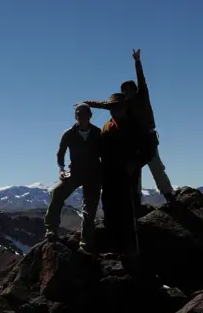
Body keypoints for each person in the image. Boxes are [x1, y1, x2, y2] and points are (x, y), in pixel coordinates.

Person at [85, 49, 174, 203]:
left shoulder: (143, 97)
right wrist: (87, 103)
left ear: (135, 89)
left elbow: (141, 80)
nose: (127, 92)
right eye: (124, 91)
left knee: (155, 166)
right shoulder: (124, 104)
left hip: (148, 137)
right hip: (134, 138)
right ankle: (137, 199)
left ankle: (168, 194)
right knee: (135, 169)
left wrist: (137, 62)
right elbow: (105, 104)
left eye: (129, 89)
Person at [99, 93, 157, 256]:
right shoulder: (106, 127)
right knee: (110, 208)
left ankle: (130, 246)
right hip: (109, 174)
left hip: (128, 173)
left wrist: (135, 163)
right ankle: (114, 245)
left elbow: (149, 149)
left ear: (125, 107)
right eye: (111, 107)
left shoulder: (135, 125)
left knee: (128, 209)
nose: (114, 110)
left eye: (117, 106)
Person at [44, 103, 101, 251]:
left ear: (89, 116)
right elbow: (60, 153)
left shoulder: (97, 133)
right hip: (75, 173)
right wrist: (61, 169)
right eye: (77, 114)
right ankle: (51, 229)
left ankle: (85, 243)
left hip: (93, 175)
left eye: (82, 114)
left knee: (89, 209)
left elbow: (105, 154)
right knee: (56, 193)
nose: (79, 116)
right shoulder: (68, 134)